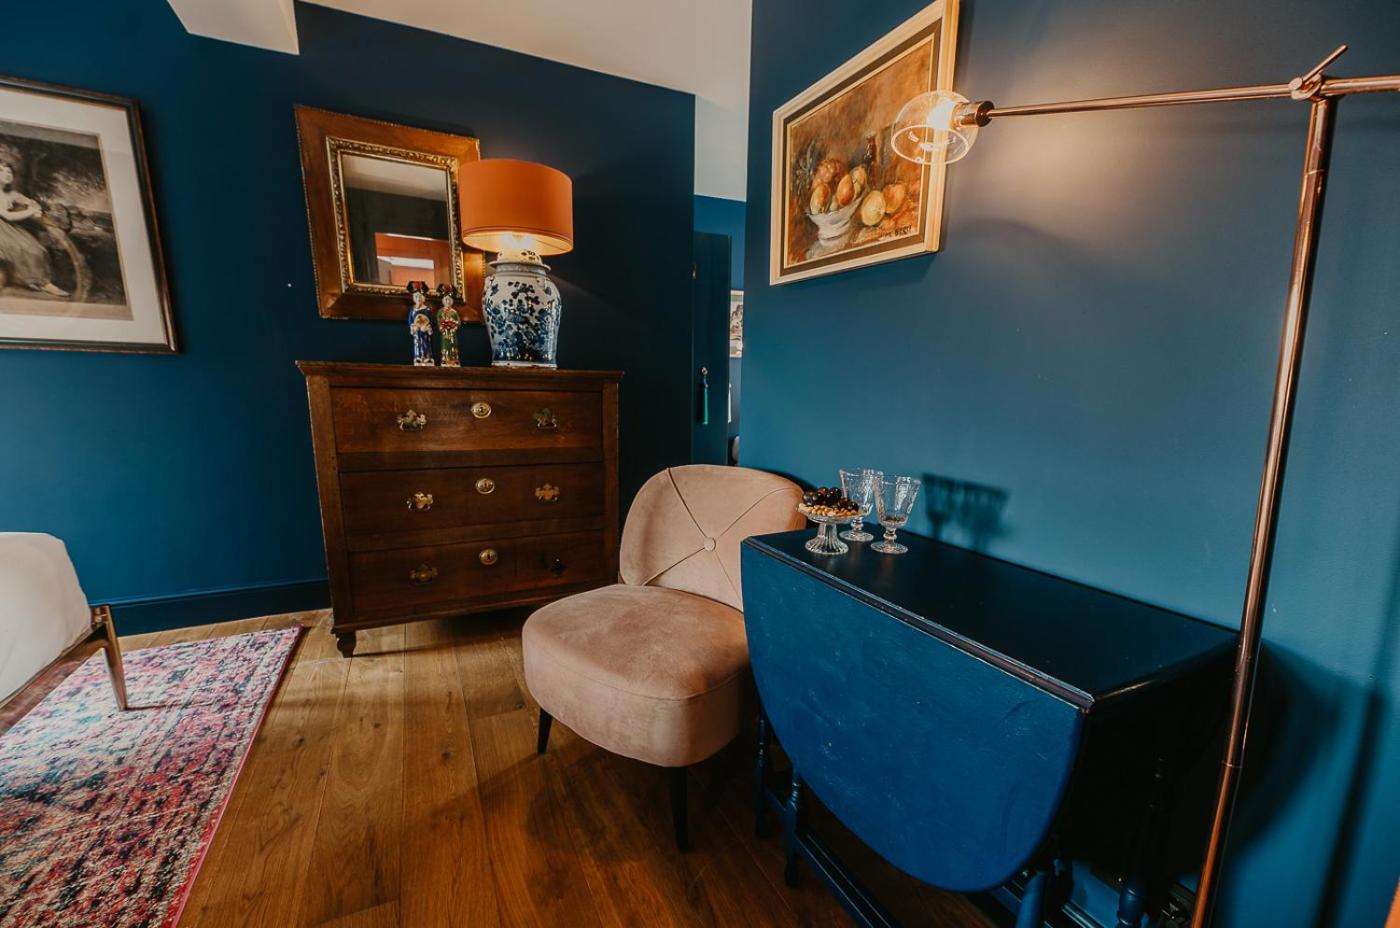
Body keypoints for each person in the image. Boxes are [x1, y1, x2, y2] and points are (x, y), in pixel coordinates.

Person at [0, 158, 68, 297]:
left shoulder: (12, 194)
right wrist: (31, 211)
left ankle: (41, 282)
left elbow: (32, 203)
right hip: (3, 229)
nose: (7, 174)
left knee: (37, 249)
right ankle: (41, 283)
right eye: (2, 171)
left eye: (9, 172)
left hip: (10, 228)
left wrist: (34, 207)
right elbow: (8, 216)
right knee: (18, 248)